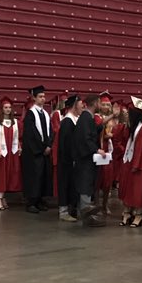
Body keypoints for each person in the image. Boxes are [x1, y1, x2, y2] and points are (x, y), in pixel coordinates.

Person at [118, 97, 142, 228]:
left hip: (139, 165)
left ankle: (138, 215)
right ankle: (127, 212)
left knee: (137, 191)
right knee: (127, 189)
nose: (127, 115)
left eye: (129, 113)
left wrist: (137, 165)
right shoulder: (132, 128)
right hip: (129, 161)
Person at [73, 93, 104, 227]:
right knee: (85, 184)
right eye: (99, 102)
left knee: (87, 183)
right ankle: (85, 213)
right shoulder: (86, 118)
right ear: (95, 103)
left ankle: (86, 212)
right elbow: (86, 138)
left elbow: (92, 131)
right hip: (84, 159)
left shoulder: (87, 117)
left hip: (86, 159)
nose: (100, 105)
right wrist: (97, 150)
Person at [21, 85, 52, 213]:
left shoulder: (46, 114)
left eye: (44, 96)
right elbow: (31, 134)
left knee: (43, 176)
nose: (43, 99)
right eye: (40, 96)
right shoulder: (31, 114)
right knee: (34, 176)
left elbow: (50, 132)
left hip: (45, 151)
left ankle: (40, 200)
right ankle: (31, 202)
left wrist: (49, 145)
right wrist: (42, 148)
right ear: (34, 98)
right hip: (34, 152)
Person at [0, 97, 21, 211]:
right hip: (1, 155)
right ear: (1, 109)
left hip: (12, 154)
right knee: (1, 177)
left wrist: (20, 147)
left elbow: (19, 138)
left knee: (9, 176)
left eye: (10, 107)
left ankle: (2, 197)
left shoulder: (16, 123)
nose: (8, 109)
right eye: (6, 107)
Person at [54, 94, 79, 222]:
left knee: (71, 185)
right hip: (66, 160)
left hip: (71, 160)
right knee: (65, 184)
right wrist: (72, 158)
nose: (82, 106)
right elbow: (66, 144)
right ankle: (63, 212)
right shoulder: (67, 122)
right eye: (80, 104)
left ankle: (71, 209)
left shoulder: (73, 120)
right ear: (74, 105)